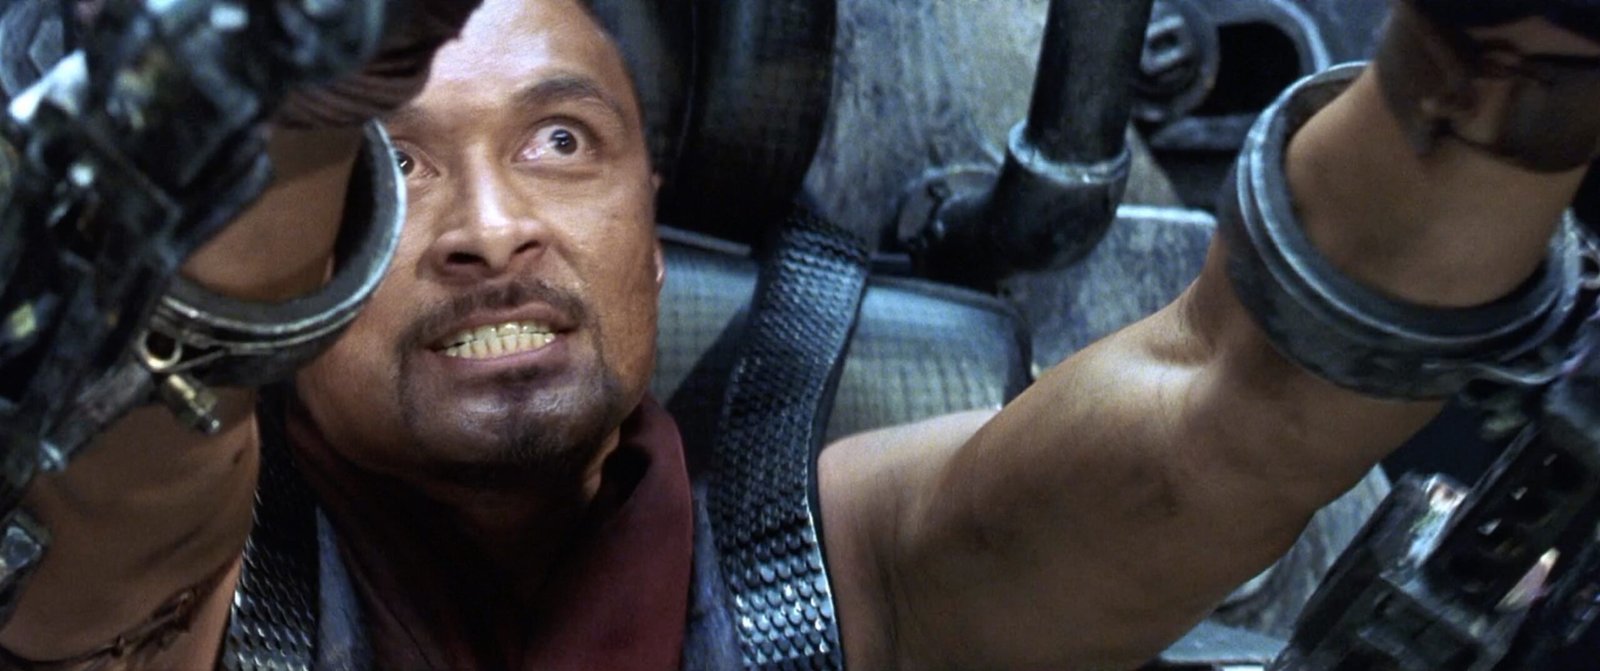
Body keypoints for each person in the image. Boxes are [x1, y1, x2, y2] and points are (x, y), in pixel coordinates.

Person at [1, 0, 1597, 668]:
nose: (492, 228)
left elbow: (1238, 411)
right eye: (396, 170)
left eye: (562, 141)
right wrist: (297, 100)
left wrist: (1507, 74)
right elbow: (141, 455)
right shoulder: (202, 589)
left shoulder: (827, 567)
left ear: (649, 228)